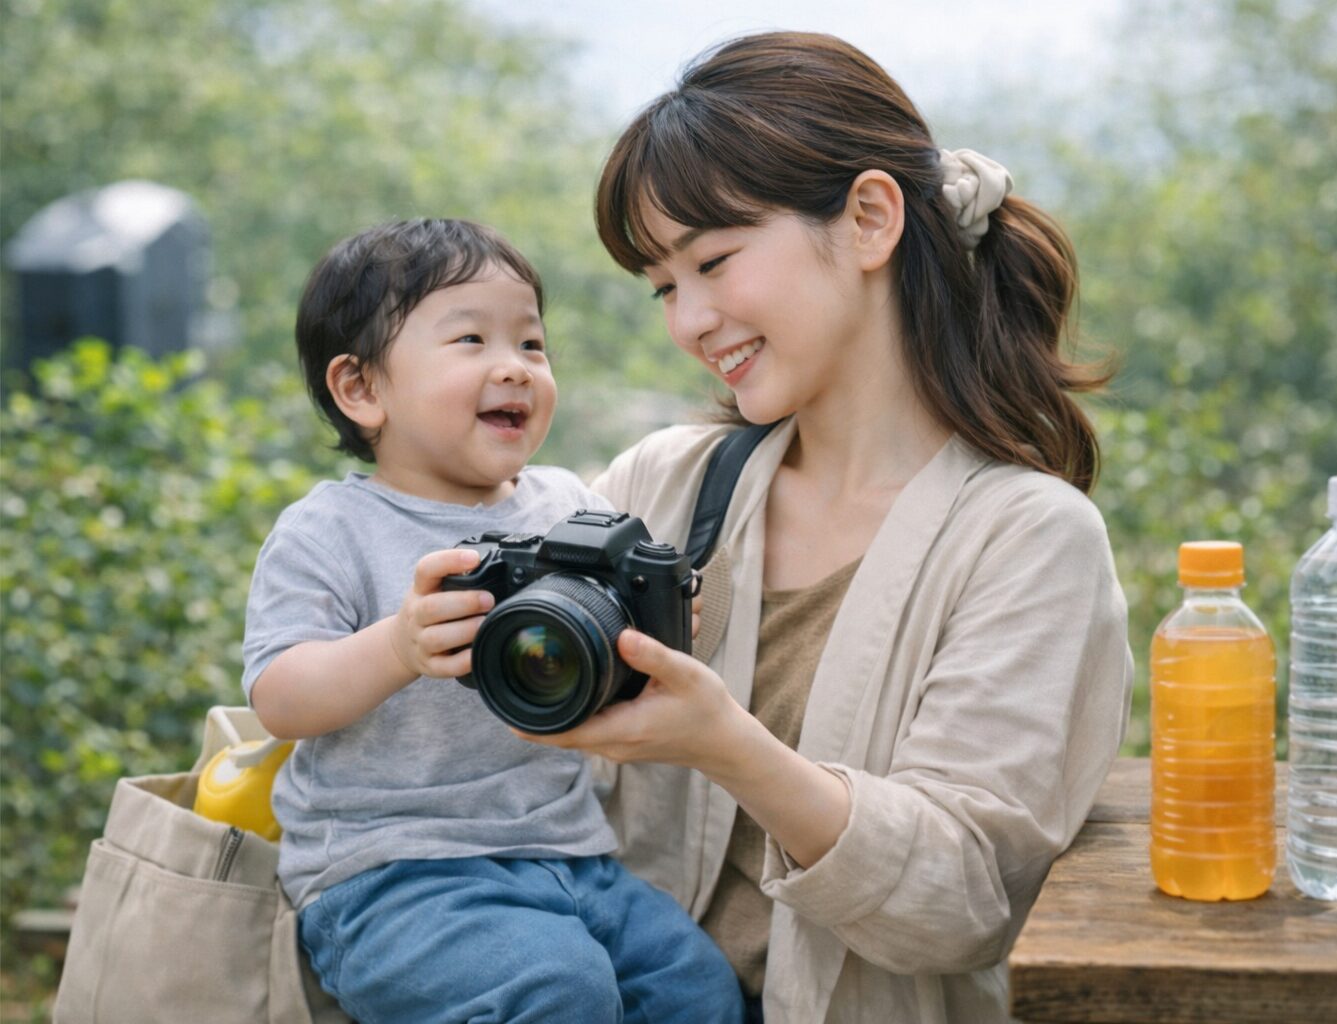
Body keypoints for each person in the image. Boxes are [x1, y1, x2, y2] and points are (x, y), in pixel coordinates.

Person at [518, 32, 1136, 1023]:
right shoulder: (661, 484)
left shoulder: (1027, 539)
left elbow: (962, 896)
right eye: (666, 285)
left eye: (715, 260)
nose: (689, 320)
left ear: (869, 217)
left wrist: (728, 744)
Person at [241, 218, 743, 1024]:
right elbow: (280, 697)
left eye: (533, 346)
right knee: (556, 993)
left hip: (572, 854)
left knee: (698, 993)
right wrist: (399, 644)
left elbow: (605, 661)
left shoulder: (570, 506)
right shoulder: (328, 529)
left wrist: (651, 624)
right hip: (395, 874)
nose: (514, 367)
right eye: (471, 339)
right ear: (361, 389)